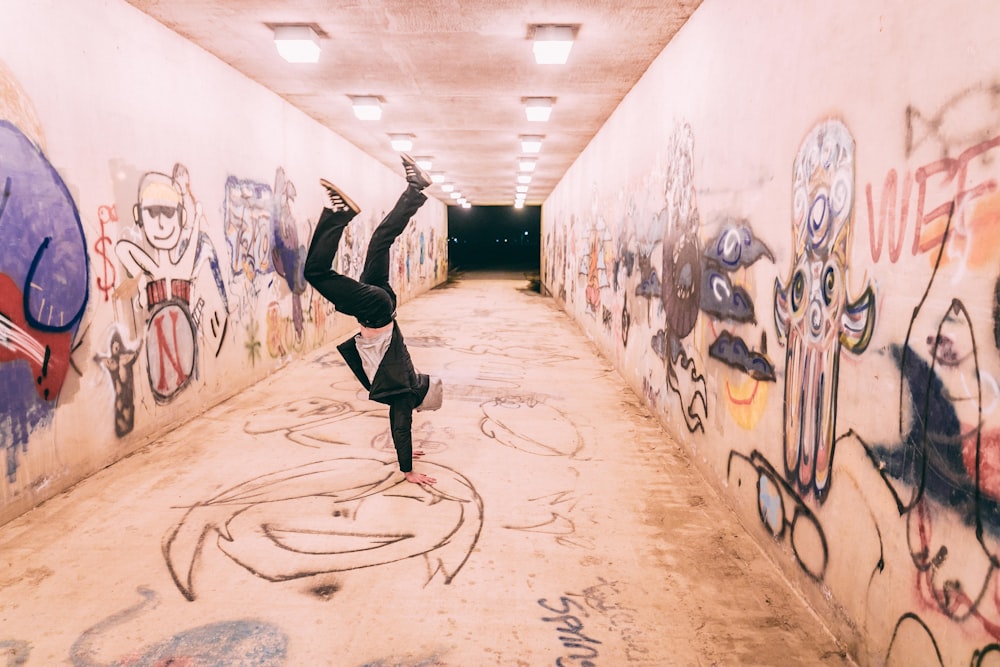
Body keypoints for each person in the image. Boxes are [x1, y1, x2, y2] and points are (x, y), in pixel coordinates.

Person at [304, 154, 443, 485]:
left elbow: (403, 429)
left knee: (381, 239)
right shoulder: (403, 391)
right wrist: (407, 468)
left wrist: (407, 453)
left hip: (386, 305)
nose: (413, 411)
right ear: (417, 398)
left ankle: (415, 189)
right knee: (316, 272)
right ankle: (340, 214)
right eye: (419, 407)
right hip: (374, 309)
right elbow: (401, 426)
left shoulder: (407, 372)